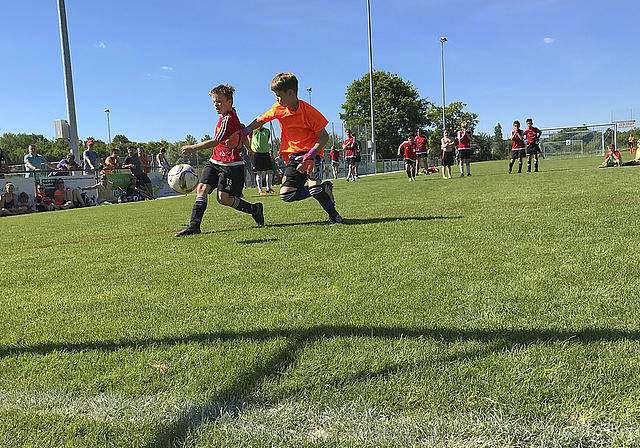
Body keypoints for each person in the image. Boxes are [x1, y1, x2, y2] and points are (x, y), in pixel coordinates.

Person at [226, 72, 341, 225]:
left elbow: (324, 136)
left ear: (291, 93)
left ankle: (334, 216)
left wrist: (312, 154)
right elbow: (261, 119)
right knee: (286, 195)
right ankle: (325, 187)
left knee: (314, 189)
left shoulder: (308, 111)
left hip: (311, 155)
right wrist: (244, 132)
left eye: (278, 95)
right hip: (293, 157)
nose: (276, 99)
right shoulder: (278, 108)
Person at [175, 84, 264, 237]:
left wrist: (193, 147)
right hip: (215, 161)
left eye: (219, 101)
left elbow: (216, 141)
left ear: (230, 102)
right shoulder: (224, 117)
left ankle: (254, 209)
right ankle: (194, 226)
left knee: (223, 199)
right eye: (214, 102)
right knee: (201, 189)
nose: (216, 105)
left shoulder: (229, 119)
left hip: (231, 164)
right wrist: (248, 148)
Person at [250, 125, 276, 195]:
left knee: (269, 171)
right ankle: (260, 190)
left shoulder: (267, 131)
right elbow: (250, 140)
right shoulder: (253, 131)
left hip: (265, 152)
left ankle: (269, 188)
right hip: (257, 153)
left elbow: (267, 140)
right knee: (259, 172)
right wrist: (250, 150)